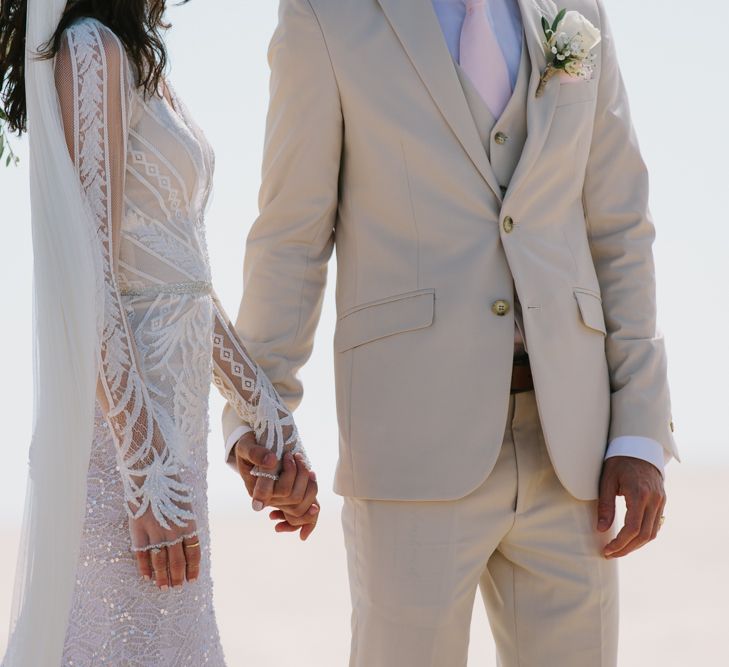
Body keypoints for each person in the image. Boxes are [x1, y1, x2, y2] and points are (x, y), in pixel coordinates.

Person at [224, 0, 679, 665]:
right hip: (410, 443)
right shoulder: (323, 17)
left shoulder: (576, 13)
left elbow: (619, 227)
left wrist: (638, 427)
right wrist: (258, 416)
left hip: (573, 453)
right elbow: (291, 235)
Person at [0, 0, 319, 664]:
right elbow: (88, 279)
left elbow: (182, 279)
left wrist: (267, 414)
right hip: (124, 452)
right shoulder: (90, 50)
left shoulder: (140, 60)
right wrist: (146, 467)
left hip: (178, 444)